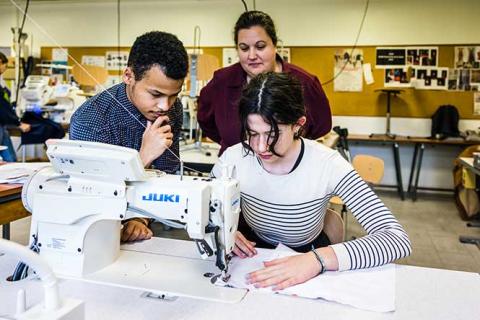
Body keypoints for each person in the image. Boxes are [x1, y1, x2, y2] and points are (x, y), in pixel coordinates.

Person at [211, 72, 411, 290]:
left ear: (298, 124)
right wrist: (220, 229)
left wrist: (317, 259)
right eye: (251, 134)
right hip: (253, 253)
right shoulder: (233, 158)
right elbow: (204, 211)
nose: (260, 147)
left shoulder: (328, 164)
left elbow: (396, 239)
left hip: (309, 255)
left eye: (271, 135)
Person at [70, 31, 188, 242]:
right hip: (93, 235)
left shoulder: (172, 109)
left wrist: (141, 218)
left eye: (174, 95)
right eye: (155, 94)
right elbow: (91, 194)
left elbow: (167, 175)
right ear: (128, 76)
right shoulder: (91, 120)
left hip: (147, 224)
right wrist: (142, 158)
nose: (165, 106)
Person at [198, 10, 331, 155]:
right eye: (244, 48)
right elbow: (206, 121)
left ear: (275, 45)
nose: (252, 55)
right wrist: (233, 146)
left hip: (288, 171)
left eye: (260, 46)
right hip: (236, 170)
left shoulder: (305, 83)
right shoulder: (222, 82)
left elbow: (321, 126)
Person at [0, 52, 31, 162]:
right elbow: (2, 107)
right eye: (4, 65)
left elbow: (5, 104)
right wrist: (18, 123)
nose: (5, 68)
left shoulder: (1, 81)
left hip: (2, 126)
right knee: (10, 160)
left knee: (11, 160)